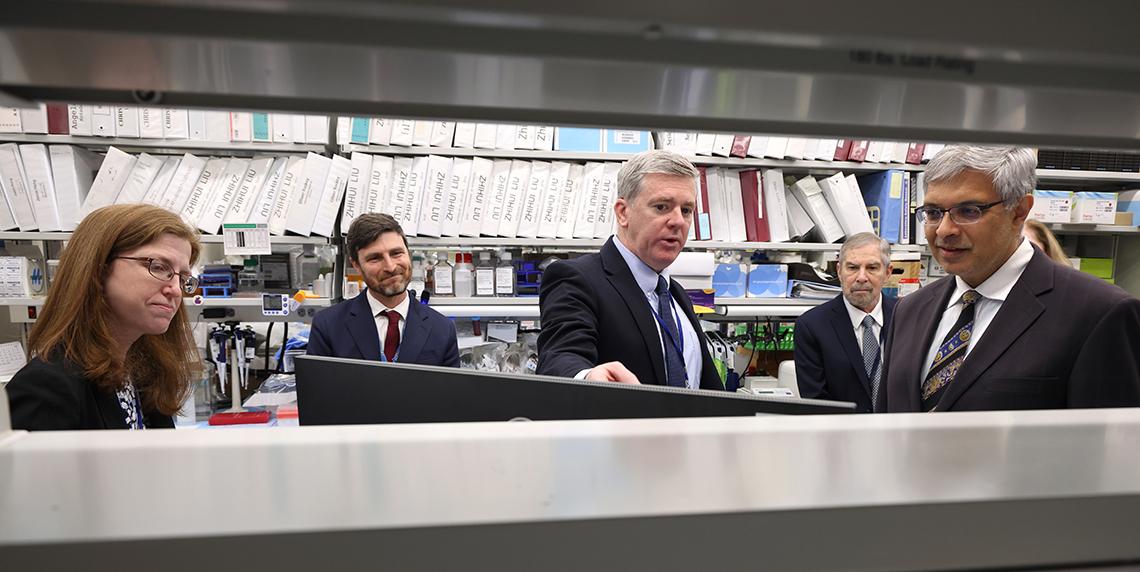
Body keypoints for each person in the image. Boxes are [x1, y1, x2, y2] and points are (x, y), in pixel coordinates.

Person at [879, 145, 1140, 412]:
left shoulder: (1099, 314)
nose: (944, 230)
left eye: (969, 211)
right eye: (934, 213)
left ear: (1019, 211)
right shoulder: (909, 309)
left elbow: (1111, 447)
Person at [537, 150, 724, 390]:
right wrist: (587, 377)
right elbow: (559, 357)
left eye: (686, 210)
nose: (677, 221)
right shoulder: (576, 279)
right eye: (661, 207)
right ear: (623, 212)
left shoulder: (675, 293)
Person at [7, 204, 202, 430]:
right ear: (99, 269)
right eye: (158, 267)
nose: (176, 290)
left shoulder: (139, 374)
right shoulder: (45, 389)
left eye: (182, 278)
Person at [308, 213, 458, 367]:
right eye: (375, 258)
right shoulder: (328, 326)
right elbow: (317, 390)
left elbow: (451, 391)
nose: (391, 267)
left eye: (396, 253)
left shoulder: (442, 329)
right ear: (356, 265)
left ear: (408, 252)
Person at [794, 232, 897, 412]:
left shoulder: (908, 317)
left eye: (872, 268)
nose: (861, 277)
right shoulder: (812, 326)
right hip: (841, 436)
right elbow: (817, 404)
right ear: (839, 271)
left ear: (887, 273)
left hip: (902, 434)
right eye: (852, 268)